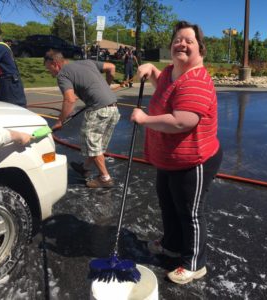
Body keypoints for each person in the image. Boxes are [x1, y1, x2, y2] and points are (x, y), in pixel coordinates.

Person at [130, 21, 223, 284]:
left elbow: (183, 121)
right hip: (170, 160)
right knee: (168, 203)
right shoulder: (173, 71)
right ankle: (171, 244)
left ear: (200, 49)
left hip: (194, 161)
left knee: (190, 211)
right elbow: (167, 85)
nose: (181, 44)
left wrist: (145, 119)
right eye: (177, 40)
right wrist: (153, 70)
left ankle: (195, 263)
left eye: (188, 41)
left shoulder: (197, 80)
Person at [44, 49, 120, 188]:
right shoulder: (87, 62)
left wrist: (60, 121)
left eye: (49, 69)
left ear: (55, 64)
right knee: (97, 144)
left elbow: (70, 100)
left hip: (98, 110)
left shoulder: (63, 74)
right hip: (113, 109)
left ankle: (105, 178)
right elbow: (112, 67)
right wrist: (107, 87)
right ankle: (85, 168)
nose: (51, 73)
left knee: (93, 146)